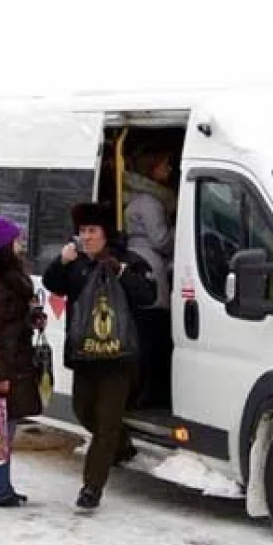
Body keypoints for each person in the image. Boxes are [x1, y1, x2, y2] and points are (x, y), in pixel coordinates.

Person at [42, 202, 156, 512]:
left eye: (92, 231)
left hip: (118, 358)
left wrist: (121, 272)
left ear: (106, 234)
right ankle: (123, 446)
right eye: (82, 231)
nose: (86, 237)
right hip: (85, 356)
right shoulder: (76, 264)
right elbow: (53, 284)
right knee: (84, 412)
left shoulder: (127, 261)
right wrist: (60, 262)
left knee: (105, 424)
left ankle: (92, 488)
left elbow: (148, 295)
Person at [0, 215, 46, 508]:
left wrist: (32, 317)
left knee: (1, 425)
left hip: (14, 361)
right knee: (0, 426)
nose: (21, 245)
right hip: (6, 366)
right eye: (16, 240)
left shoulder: (2, 277)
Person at [123, 146, 177, 410]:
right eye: (165, 164)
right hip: (152, 268)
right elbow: (162, 240)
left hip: (138, 264)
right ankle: (151, 394)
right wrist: (183, 229)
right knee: (154, 337)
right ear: (152, 167)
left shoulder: (135, 200)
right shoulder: (152, 203)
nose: (169, 169)